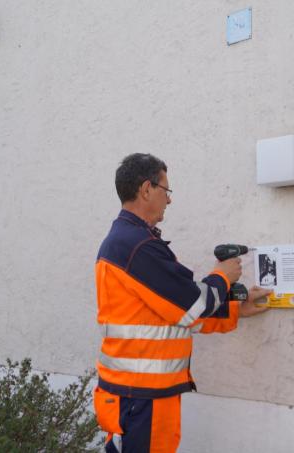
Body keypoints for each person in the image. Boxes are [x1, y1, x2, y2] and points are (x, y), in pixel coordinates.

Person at [94, 153, 271, 452]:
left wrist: (236, 309)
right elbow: (192, 306)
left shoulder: (128, 242)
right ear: (146, 189)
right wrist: (223, 275)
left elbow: (172, 312)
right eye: (166, 190)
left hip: (136, 395)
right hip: (141, 398)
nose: (169, 200)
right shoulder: (136, 246)